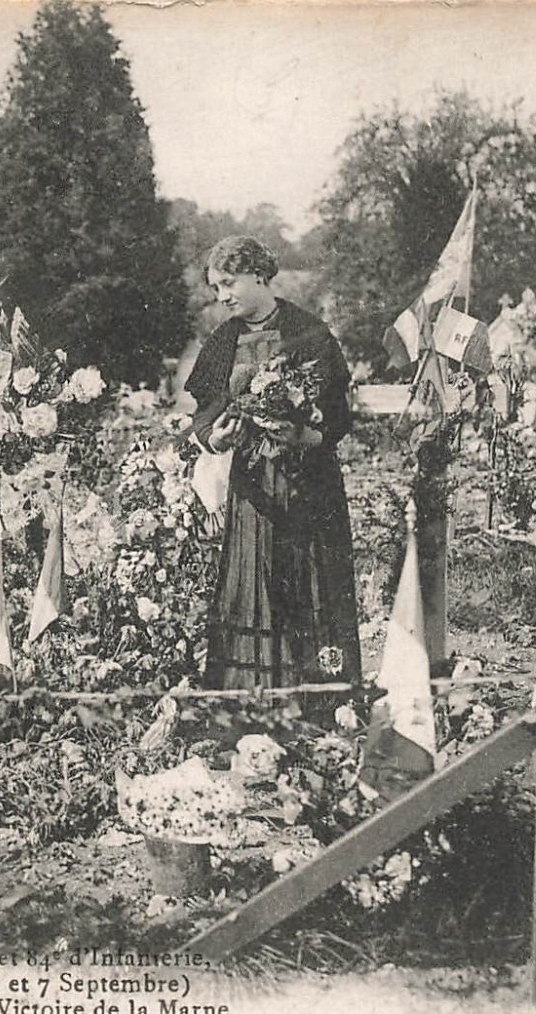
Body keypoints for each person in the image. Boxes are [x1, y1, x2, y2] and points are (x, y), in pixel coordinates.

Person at [184, 236, 362, 694]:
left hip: (309, 486)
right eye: (216, 287)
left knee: (311, 582)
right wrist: (216, 438)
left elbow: (339, 416)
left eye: (229, 283)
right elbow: (204, 415)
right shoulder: (224, 341)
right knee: (255, 584)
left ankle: (322, 699)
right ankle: (252, 699)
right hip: (255, 492)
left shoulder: (308, 333)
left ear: (259, 275)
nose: (221, 296)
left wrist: (304, 435)